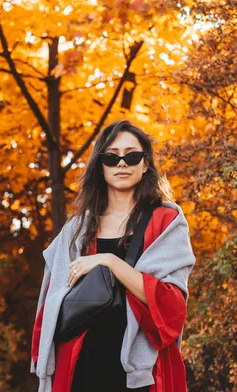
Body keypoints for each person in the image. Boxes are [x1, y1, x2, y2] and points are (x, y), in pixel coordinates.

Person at [30, 120, 196, 392]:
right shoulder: (77, 229)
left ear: (145, 165)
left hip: (139, 373)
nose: (122, 164)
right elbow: (52, 301)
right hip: (79, 366)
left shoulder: (166, 222)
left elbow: (171, 307)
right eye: (111, 157)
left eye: (132, 156)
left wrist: (109, 261)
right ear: (100, 165)